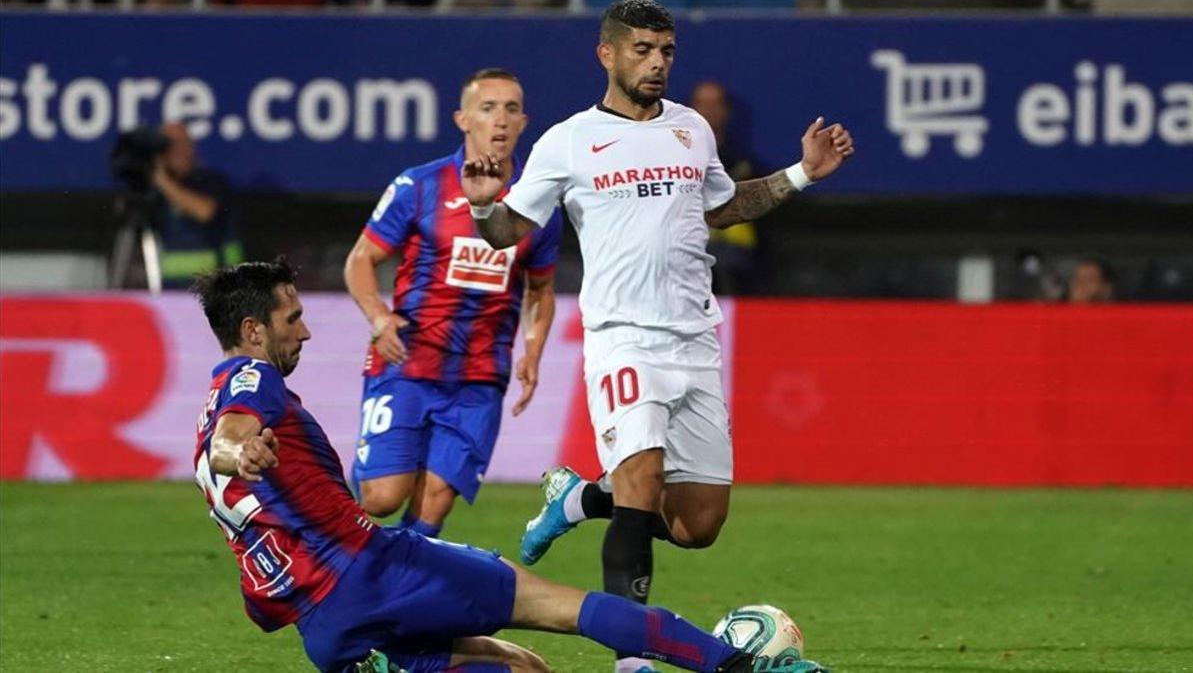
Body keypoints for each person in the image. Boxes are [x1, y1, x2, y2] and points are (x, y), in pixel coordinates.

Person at [189, 259, 829, 673]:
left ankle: (384, 659)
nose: (304, 332)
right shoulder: (250, 379)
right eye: (291, 318)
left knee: (526, 669)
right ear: (251, 330)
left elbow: (254, 571)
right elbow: (236, 434)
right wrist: (241, 449)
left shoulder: (201, 421)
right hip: (376, 572)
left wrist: (233, 454)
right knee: (565, 609)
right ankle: (738, 667)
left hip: (325, 628)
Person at [459, 1, 854, 671]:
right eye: (642, 49)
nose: (657, 63)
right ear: (606, 55)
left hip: (694, 340)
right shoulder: (569, 140)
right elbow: (505, 233)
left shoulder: (691, 129)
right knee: (639, 488)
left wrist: (800, 173)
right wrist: (482, 202)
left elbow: (723, 206)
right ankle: (630, 659)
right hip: (622, 336)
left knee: (698, 524)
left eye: (666, 51)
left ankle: (578, 496)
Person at [343, 68, 561, 535]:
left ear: (524, 122)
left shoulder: (538, 203)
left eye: (510, 109)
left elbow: (541, 290)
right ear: (463, 119)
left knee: (434, 506)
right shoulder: (418, 186)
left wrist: (533, 351)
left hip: (479, 377)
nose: (500, 120)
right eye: (488, 108)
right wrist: (379, 318)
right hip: (408, 362)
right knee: (381, 498)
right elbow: (361, 260)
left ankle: (392, 597)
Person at [150, 122, 243, 288]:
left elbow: (204, 211)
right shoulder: (156, 192)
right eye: (167, 145)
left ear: (192, 147)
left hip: (217, 287)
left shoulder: (209, 180)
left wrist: (162, 180)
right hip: (171, 292)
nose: (175, 150)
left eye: (180, 143)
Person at [689, 80, 760, 296]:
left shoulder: (744, 164)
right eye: (702, 104)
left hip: (730, 253)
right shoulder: (671, 159)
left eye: (715, 104)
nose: (709, 111)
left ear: (726, 111)